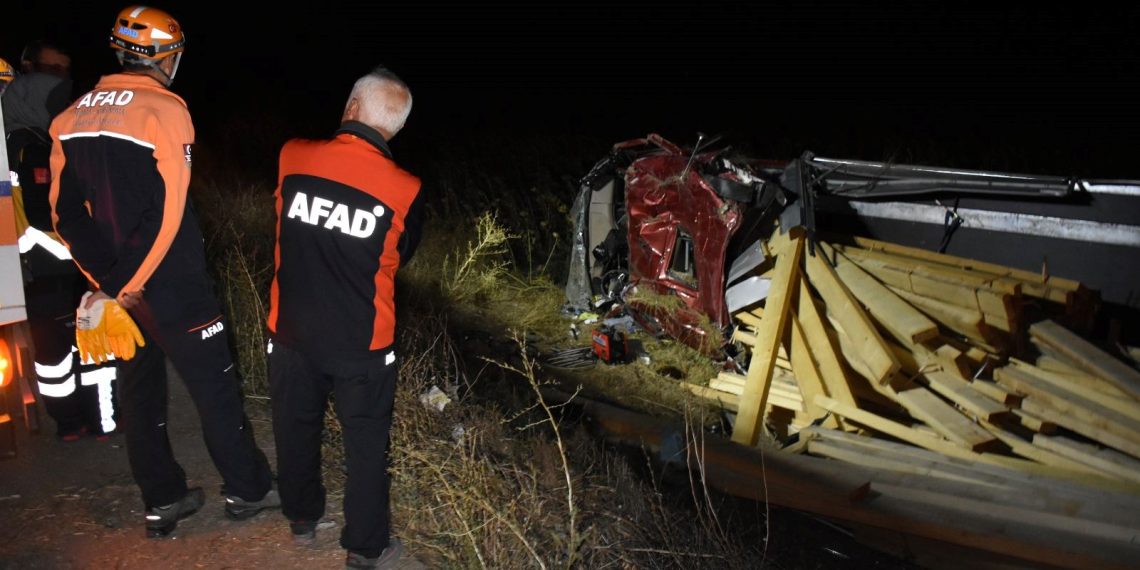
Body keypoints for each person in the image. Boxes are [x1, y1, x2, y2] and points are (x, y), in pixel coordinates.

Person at [48, 5, 279, 538]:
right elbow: (167, 212)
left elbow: (64, 215)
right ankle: (248, 490)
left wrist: (107, 285)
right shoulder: (166, 109)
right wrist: (123, 285)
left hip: (117, 286)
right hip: (172, 284)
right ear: (166, 57)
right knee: (215, 390)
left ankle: (162, 500)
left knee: (140, 393)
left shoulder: (70, 115)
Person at [267, 66, 423, 569]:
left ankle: (301, 516)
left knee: (294, 427)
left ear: (352, 107)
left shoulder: (293, 156)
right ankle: (366, 546)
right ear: (396, 127)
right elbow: (402, 253)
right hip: (363, 341)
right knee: (366, 446)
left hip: (291, 329)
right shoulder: (406, 188)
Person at [3, 40, 120, 442]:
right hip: (57, 267)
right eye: (52, 76)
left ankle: (81, 422)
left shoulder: (23, 140)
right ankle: (91, 421)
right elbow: (45, 214)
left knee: (69, 350)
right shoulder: (32, 147)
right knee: (78, 349)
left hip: (50, 270)